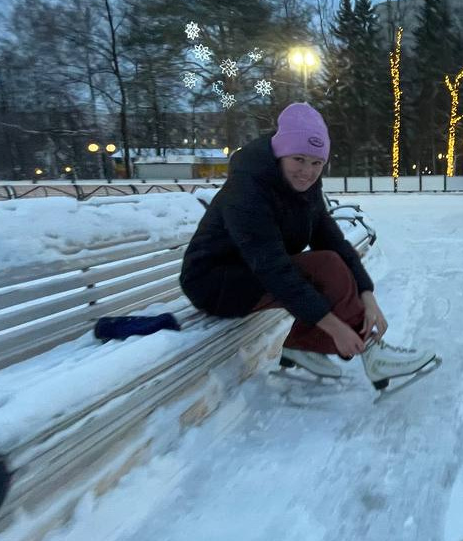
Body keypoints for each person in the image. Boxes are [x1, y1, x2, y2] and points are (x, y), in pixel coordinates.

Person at [180, 102, 435, 390]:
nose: (307, 171)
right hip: (214, 283)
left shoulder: (305, 188)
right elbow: (272, 268)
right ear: (280, 154)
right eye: (298, 159)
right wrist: (336, 328)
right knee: (324, 267)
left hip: (253, 273)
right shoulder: (248, 188)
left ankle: (304, 346)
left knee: (330, 260)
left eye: (316, 163)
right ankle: (372, 352)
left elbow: (334, 242)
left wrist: (367, 293)